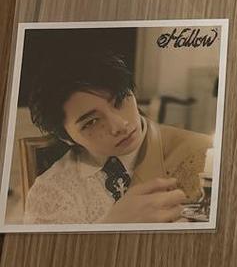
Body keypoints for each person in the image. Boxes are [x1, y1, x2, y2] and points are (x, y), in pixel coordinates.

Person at [22, 46, 211, 225]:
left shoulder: (204, 153)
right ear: (66, 137)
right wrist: (111, 226)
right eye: (92, 122)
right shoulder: (50, 193)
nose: (120, 126)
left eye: (120, 100)